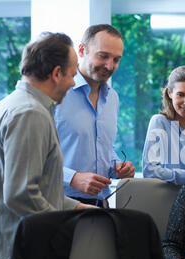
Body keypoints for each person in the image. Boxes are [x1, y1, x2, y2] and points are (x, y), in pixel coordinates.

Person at [0, 32, 96, 259]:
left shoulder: (15, 104)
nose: (72, 83)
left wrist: (78, 207)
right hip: (24, 257)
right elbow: (21, 195)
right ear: (56, 73)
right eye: (71, 74)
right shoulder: (30, 113)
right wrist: (65, 228)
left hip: (17, 254)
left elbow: (38, 188)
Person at [54, 24, 135, 208]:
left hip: (102, 203)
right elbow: (37, 158)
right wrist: (73, 178)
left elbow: (103, 147)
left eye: (116, 59)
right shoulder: (57, 93)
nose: (110, 65)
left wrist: (117, 165)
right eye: (103, 56)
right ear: (82, 50)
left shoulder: (112, 97)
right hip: (61, 203)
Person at [142, 66, 185, 185]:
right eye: (181, 94)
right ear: (170, 93)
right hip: (168, 200)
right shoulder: (159, 122)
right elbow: (150, 171)